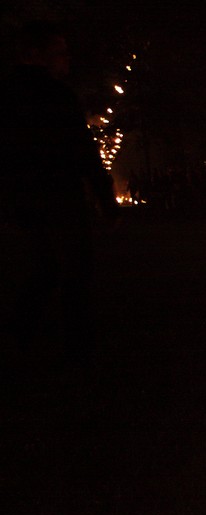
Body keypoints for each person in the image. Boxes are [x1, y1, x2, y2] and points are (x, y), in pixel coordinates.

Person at [0, 20, 120, 365]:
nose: (66, 60)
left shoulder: (6, 94)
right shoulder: (57, 97)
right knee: (76, 268)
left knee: (47, 265)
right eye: (60, 53)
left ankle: (21, 330)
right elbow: (82, 152)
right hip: (61, 195)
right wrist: (105, 201)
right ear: (37, 55)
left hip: (24, 196)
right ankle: (77, 345)